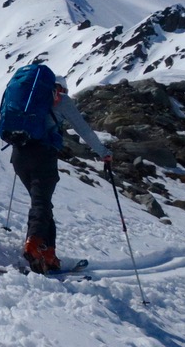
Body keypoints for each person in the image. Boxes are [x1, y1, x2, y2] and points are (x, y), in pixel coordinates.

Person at [9, 72, 111, 273]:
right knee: (41, 203)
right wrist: (104, 152)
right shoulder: (61, 100)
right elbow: (83, 130)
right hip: (42, 156)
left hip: (19, 155)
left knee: (41, 204)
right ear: (60, 88)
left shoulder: (25, 98)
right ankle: (34, 246)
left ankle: (48, 254)